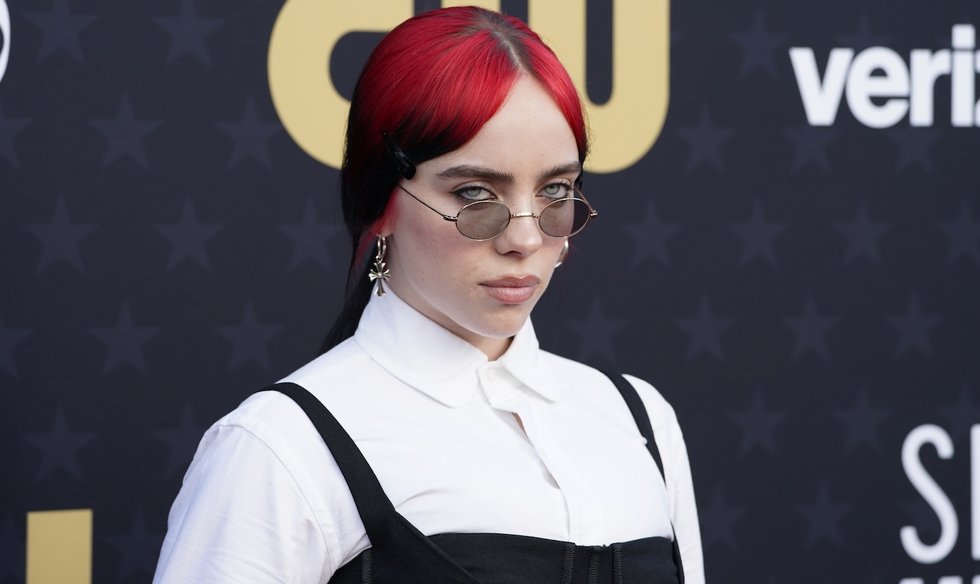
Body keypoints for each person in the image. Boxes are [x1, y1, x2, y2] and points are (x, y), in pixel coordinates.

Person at [154, 6, 704, 583]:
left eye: (556, 191)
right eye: (474, 193)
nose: (523, 237)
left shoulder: (638, 417)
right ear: (381, 202)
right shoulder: (279, 447)